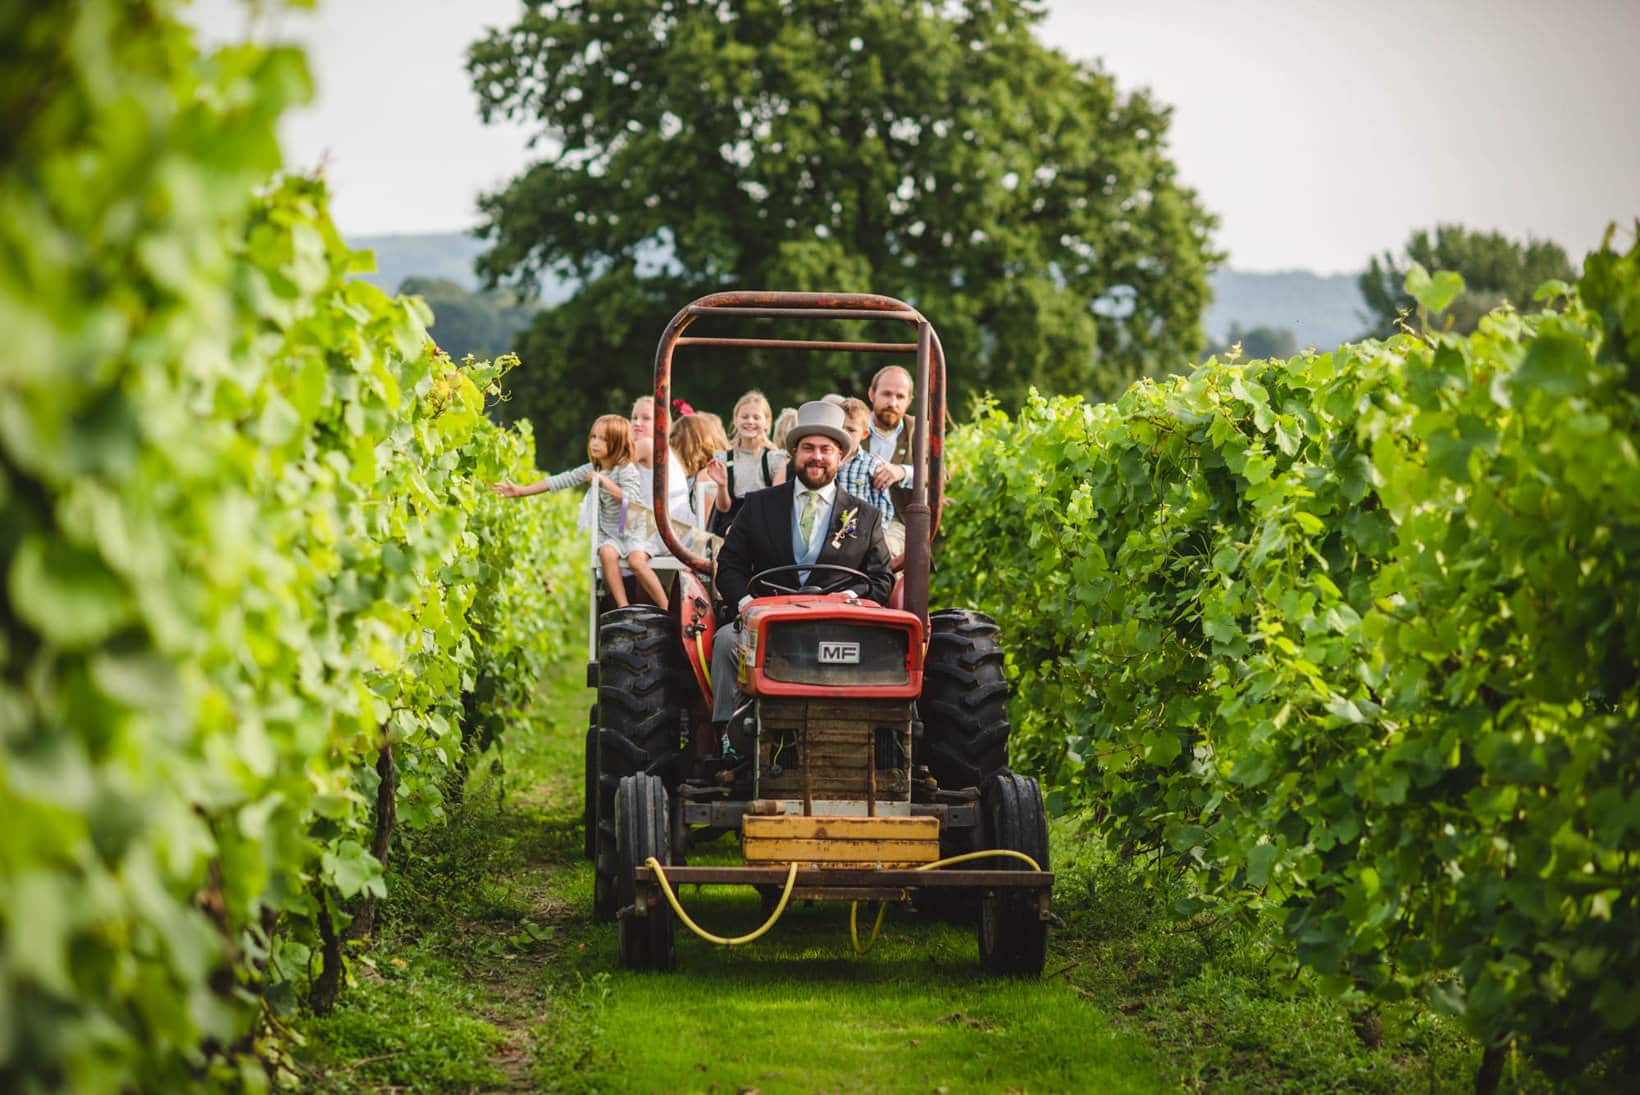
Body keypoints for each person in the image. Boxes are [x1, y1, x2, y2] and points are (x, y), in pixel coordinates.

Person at [710, 401, 894, 729]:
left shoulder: (864, 516)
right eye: (808, 448)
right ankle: (729, 735)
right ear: (794, 452)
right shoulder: (758, 505)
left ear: (841, 456)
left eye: (826, 449)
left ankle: (876, 737)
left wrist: (851, 602)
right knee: (726, 641)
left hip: (841, 630)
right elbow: (729, 565)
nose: (817, 457)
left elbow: (881, 578)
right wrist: (747, 605)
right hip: (767, 625)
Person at [492, 415, 669, 611]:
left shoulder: (626, 470)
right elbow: (561, 480)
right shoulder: (594, 468)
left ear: (618, 443)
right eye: (593, 437)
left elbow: (631, 501)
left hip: (636, 531)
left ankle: (668, 608)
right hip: (613, 535)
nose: (595, 443)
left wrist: (605, 482)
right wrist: (521, 491)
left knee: (636, 561)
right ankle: (623, 607)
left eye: (603, 439)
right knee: (606, 553)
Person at [704, 390, 787, 537]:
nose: (750, 421)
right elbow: (723, 508)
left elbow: (777, 503)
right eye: (745, 417)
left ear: (767, 422)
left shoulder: (773, 459)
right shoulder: (724, 458)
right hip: (731, 520)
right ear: (735, 420)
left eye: (756, 417)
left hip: (763, 518)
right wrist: (722, 485)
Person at [836, 397, 903, 557]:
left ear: (864, 433)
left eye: (851, 430)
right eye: (841, 428)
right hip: (831, 529)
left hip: (860, 531)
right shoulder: (828, 461)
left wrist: (878, 533)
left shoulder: (870, 465)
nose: (845, 434)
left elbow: (883, 504)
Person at [864, 365, 917, 555]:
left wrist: (901, 471)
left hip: (896, 521)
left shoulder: (919, 431)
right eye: (886, 394)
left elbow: (939, 474)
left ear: (909, 401)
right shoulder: (853, 426)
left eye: (900, 397)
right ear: (872, 394)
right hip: (849, 515)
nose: (892, 402)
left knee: (882, 551)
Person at [672, 411, 730, 536]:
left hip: (695, 546)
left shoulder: (707, 475)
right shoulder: (685, 476)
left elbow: (708, 523)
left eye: (674, 437)